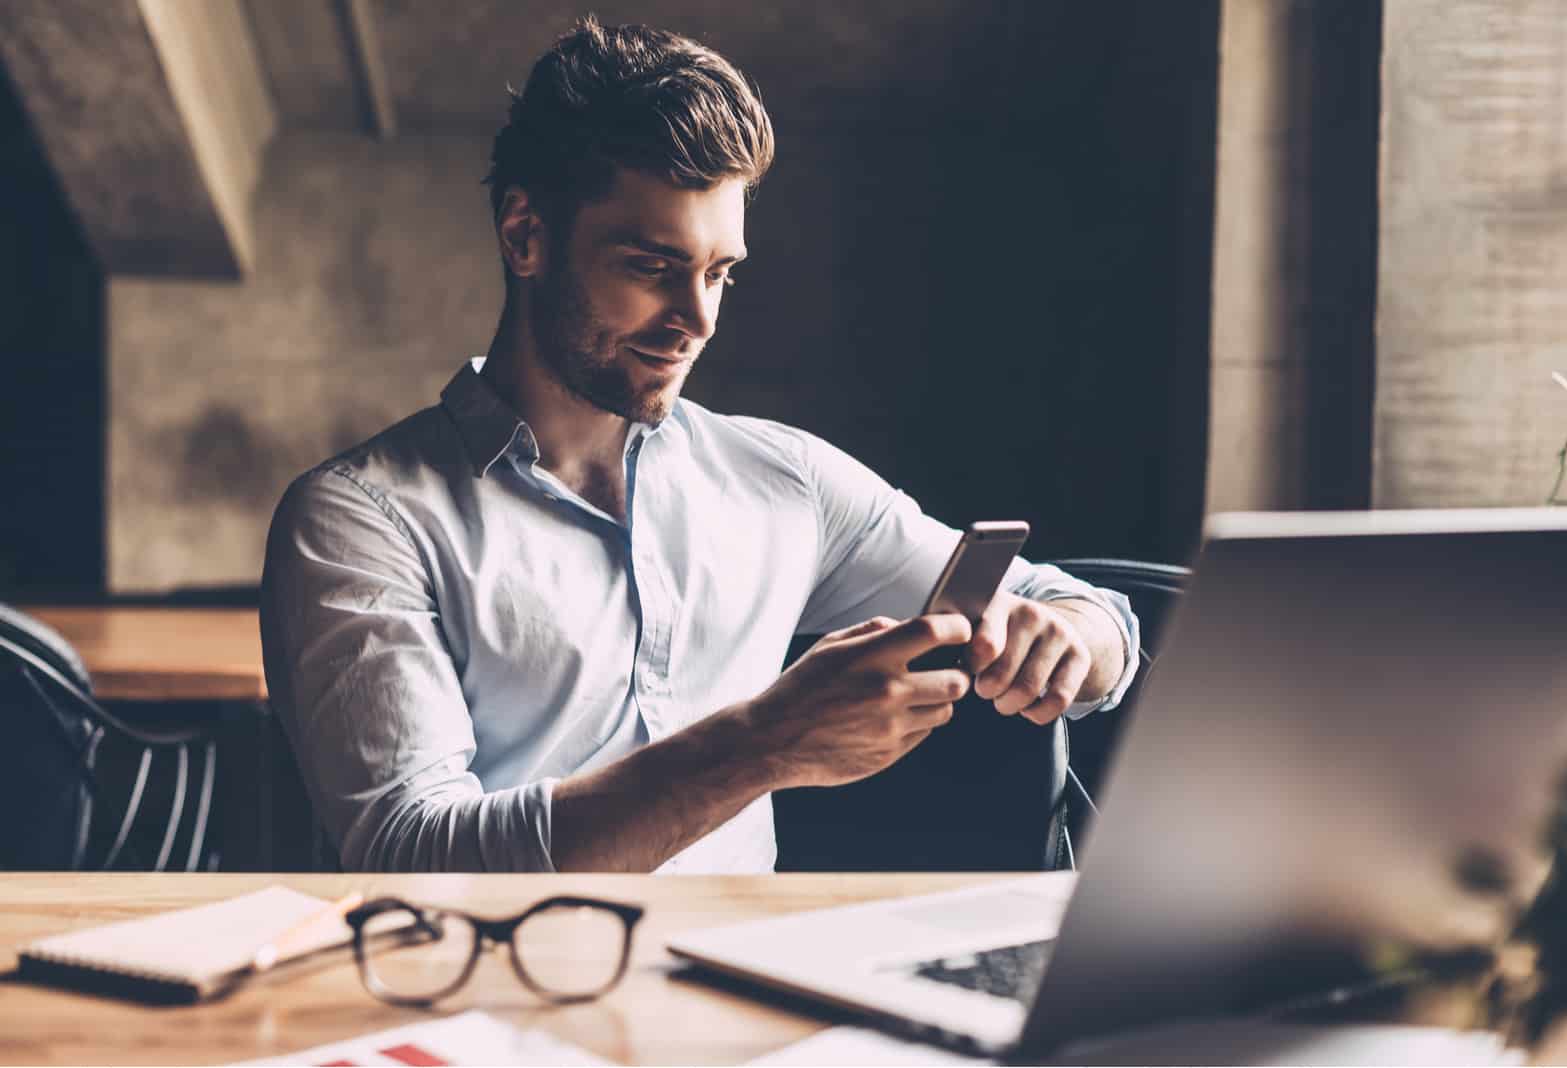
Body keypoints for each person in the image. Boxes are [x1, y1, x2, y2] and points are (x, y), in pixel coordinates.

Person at [260, 18, 1140, 874]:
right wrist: (760, 746)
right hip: (488, 1000)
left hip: (745, 997)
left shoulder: (781, 480)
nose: (698, 319)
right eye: (652, 267)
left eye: (719, 272)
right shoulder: (359, 520)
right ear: (525, 235)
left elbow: (1082, 610)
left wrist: (1070, 640)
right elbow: (411, 856)